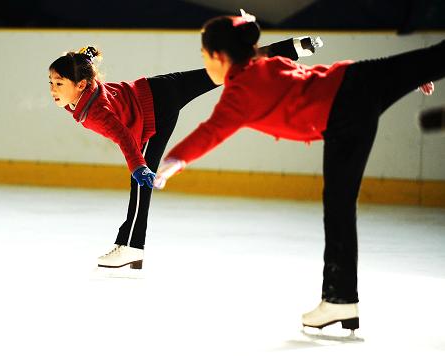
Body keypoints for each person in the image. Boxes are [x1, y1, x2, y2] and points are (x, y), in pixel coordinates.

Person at [154, 11, 445, 331]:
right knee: (434, 58)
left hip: (343, 114)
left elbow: (211, 131)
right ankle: (340, 300)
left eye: (204, 55)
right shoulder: (266, 64)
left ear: (219, 57)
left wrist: (175, 159)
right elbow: (310, 76)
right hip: (357, 80)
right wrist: (407, 76)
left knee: (339, 208)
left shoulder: (238, 95)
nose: (204, 63)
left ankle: (340, 300)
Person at [48, 32, 323, 270]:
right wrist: (86, 58)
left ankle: (131, 246)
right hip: (160, 88)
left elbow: (123, 136)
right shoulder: (88, 86)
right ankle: (294, 47)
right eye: (51, 82)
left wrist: (137, 165)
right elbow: (86, 68)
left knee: (140, 182)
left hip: (152, 110)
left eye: (59, 84)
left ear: (80, 85)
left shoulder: (94, 112)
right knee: (225, 71)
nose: (53, 90)